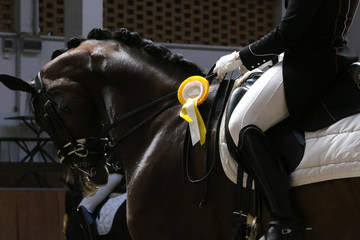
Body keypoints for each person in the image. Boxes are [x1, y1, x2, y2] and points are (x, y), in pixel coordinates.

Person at [214, 0, 360, 239]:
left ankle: (285, 221)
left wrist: (239, 58)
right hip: (330, 57)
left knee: (240, 125)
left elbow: (288, 32)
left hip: (307, 65)